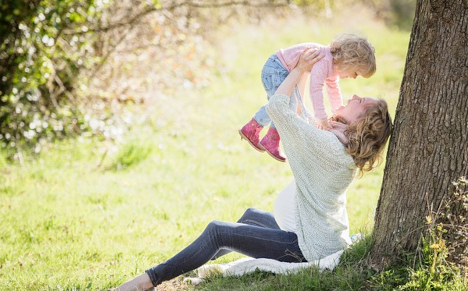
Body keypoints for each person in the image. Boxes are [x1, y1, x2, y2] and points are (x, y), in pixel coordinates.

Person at [114, 48, 392, 291]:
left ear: (362, 123)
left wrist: (297, 69)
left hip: (306, 250)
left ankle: (147, 281)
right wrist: (306, 72)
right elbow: (302, 117)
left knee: (217, 232)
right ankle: (185, 264)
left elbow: (278, 108)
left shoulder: (328, 147)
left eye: (362, 102)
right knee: (250, 217)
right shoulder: (337, 142)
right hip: (317, 238)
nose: (355, 95)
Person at [239, 33, 376, 162]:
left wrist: (337, 112)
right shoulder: (325, 60)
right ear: (350, 62)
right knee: (283, 104)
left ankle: (263, 134)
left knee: (284, 105)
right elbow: (315, 89)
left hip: (280, 69)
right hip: (276, 69)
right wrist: (321, 118)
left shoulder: (332, 66)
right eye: (356, 73)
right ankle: (262, 133)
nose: (353, 77)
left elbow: (333, 90)